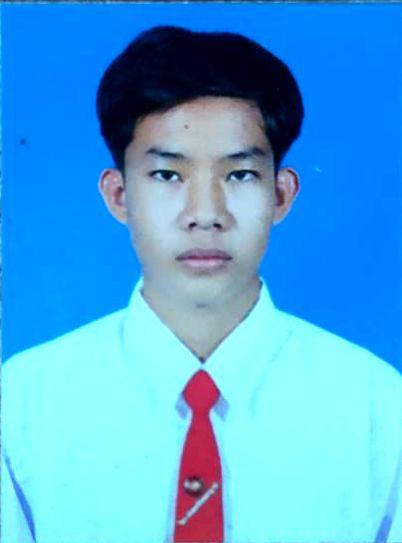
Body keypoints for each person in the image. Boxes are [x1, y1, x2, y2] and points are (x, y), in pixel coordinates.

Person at [2, 25, 401, 543]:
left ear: (281, 195)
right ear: (119, 195)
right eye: (168, 175)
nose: (206, 214)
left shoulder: (378, 410)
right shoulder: (23, 404)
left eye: (239, 175)